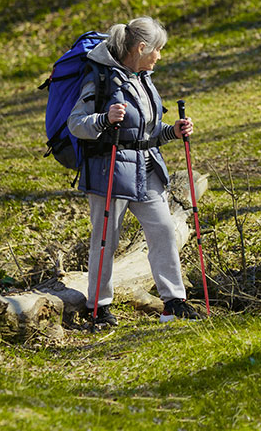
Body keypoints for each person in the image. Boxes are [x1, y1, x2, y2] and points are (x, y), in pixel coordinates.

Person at [68, 16, 200, 325]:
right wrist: (103, 118)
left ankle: (173, 302)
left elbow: (147, 130)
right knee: (106, 240)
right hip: (109, 171)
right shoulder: (100, 78)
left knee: (164, 230)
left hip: (146, 169)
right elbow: (76, 124)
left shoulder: (143, 77)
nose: (160, 56)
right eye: (158, 50)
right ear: (142, 48)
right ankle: (98, 307)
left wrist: (173, 132)